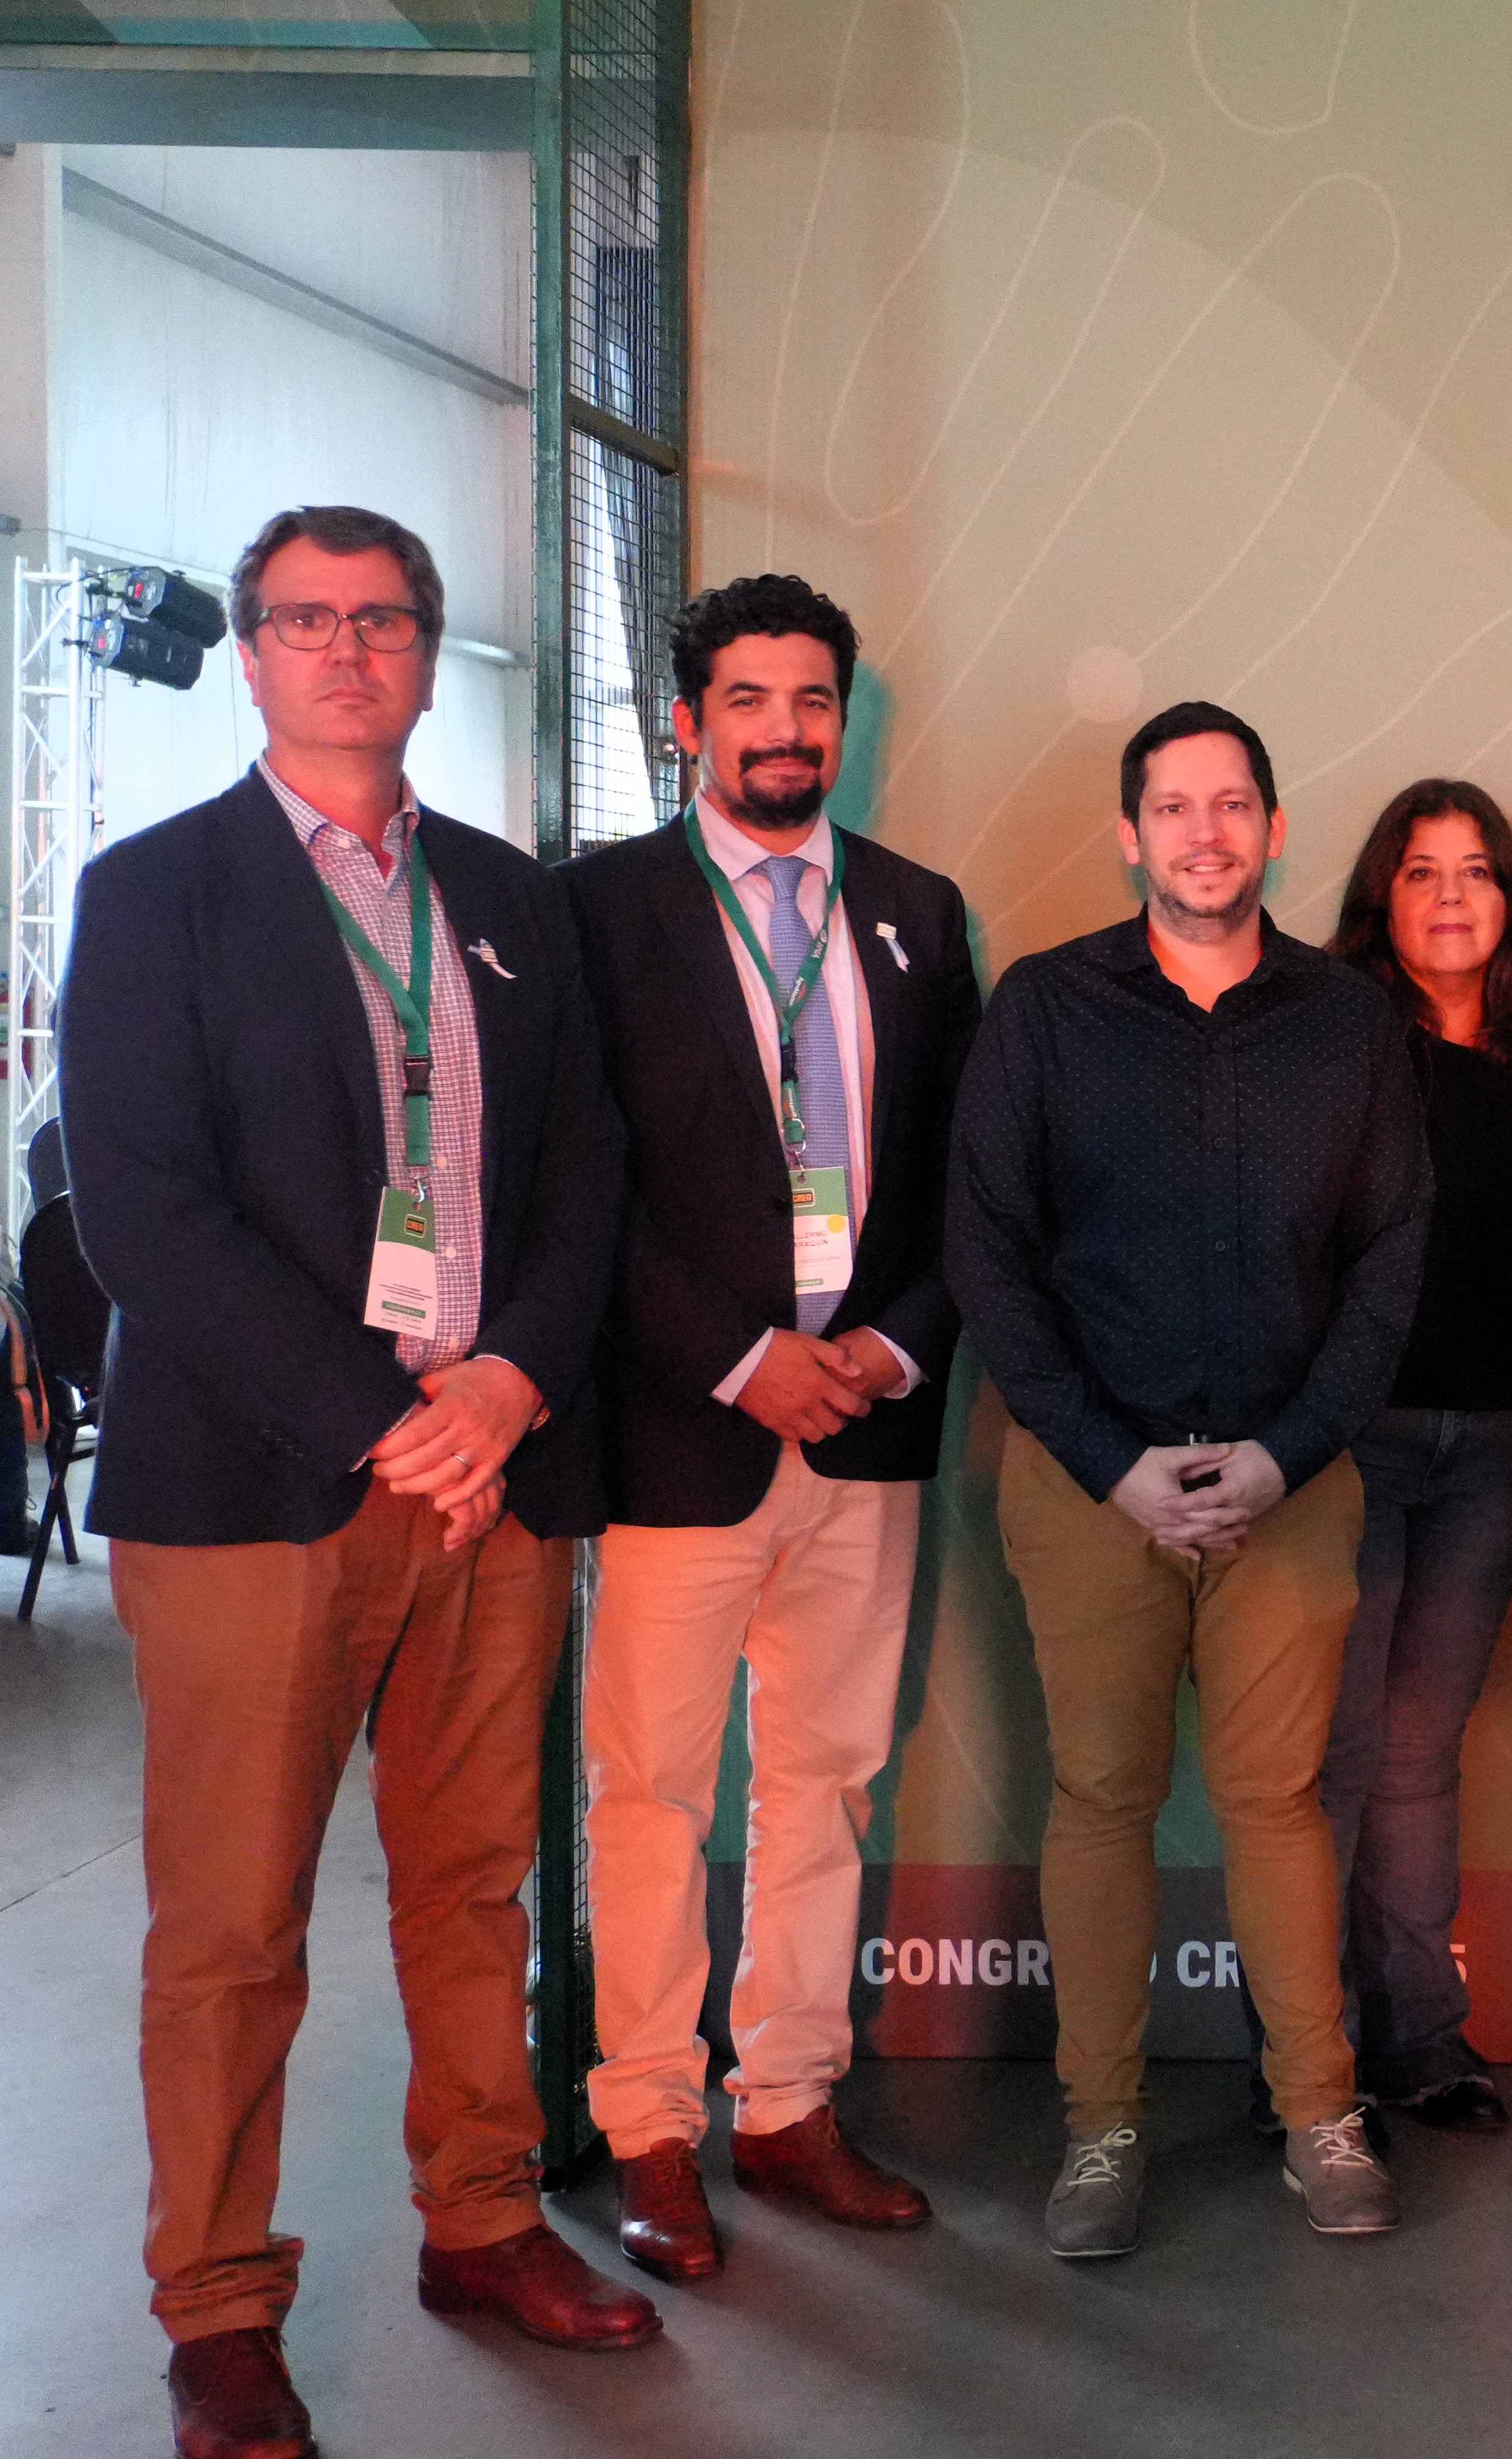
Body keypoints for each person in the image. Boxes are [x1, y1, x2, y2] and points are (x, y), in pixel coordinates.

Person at [61, 505, 642, 2459]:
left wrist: (506, 1383)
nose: (342, 648)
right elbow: (139, 1207)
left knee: (472, 1886)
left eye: (380, 617)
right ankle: (218, 2305)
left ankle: (481, 2221)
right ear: (249, 653)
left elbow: (583, 1175)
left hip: (492, 1482)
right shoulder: (158, 891)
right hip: (259, 1486)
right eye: (303, 619)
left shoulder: (507, 898)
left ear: (425, 647)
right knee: (231, 1920)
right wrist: (384, 1411)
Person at [947, 700, 1430, 2252]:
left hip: (1295, 1486)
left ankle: (1319, 2117)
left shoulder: (1351, 1025)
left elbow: (1391, 1262)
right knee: (1099, 1799)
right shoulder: (1044, 1009)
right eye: (1174, 807)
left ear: (1275, 831)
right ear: (1129, 833)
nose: (1204, 834)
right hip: (1092, 1489)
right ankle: (1102, 2132)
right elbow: (988, 1255)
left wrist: (1289, 1455)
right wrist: (1111, 1462)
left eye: (1233, 806)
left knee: (1279, 1804)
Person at [560, 575, 982, 2283]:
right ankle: (649, 2124)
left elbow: (973, 1179)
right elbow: (577, 1183)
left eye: (812, 699)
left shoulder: (915, 911)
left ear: (843, 716)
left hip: (865, 1428)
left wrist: (885, 1347)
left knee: (825, 1783)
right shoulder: (597, 911)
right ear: (688, 721)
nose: (784, 729)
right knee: (652, 1792)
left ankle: (789, 2106)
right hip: (686, 1430)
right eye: (747, 698)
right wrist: (743, 1357)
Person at [1314, 779, 1512, 2135]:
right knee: (1334, 1754)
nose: (1453, 895)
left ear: (1510, 901)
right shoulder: (1331, 1041)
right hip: (1353, 1443)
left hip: (1497, 1446)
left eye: (1477, 870)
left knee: (1419, 1755)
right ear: (1385, 899)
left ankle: (1424, 2044)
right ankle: (1307, 2065)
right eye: (1422, 872)